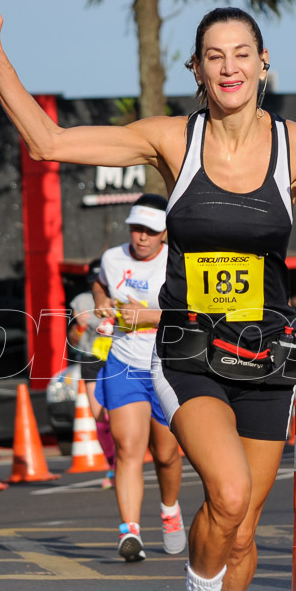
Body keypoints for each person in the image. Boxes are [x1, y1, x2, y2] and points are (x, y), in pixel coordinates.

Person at [0, 0, 296, 591]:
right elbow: (49, 143)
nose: (229, 67)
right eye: (214, 55)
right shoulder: (172, 140)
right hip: (189, 354)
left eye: (241, 54)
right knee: (228, 495)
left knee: (241, 529)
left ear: (264, 64)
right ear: (197, 69)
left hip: (268, 359)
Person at [91, 193, 185, 561]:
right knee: (128, 449)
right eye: (136, 229)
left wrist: (145, 317)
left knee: (166, 454)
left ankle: (170, 510)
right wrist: (100, 298)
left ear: (164, 234)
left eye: (150, 230)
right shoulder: (113, 259)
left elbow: (191, 314)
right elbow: (100, 281)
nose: (142, 237)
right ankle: (130, 532)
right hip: (123, 362)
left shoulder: (177, 262)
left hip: (167, 363)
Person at [66, 289, 115, 489]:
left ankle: (126, 464)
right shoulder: (82, 300)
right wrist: (80, 326)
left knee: (121, 415)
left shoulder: (126, 292)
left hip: (121, 358)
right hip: (92, 360)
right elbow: (73, 340)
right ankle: (113, 465)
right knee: (100, 417)